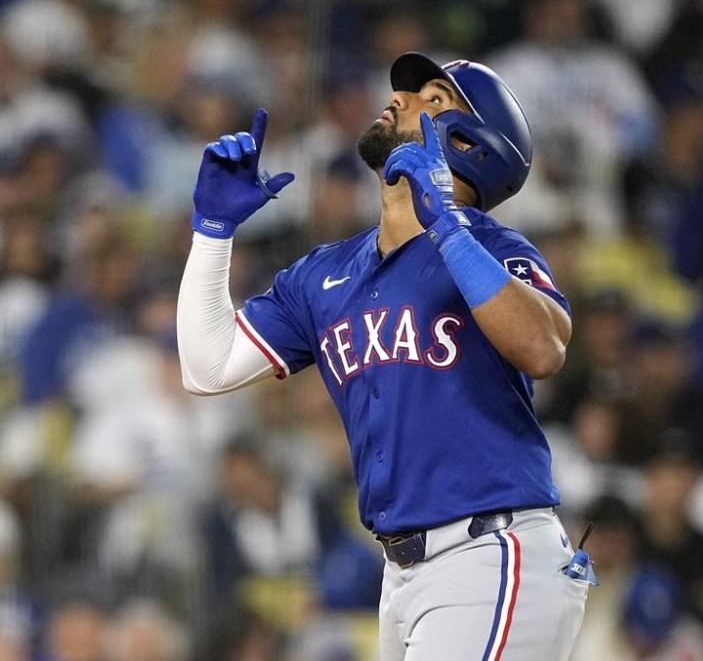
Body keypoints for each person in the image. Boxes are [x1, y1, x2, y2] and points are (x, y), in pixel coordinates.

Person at [178, 52, 588, 659]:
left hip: (491, 551)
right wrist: (212, 233)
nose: (399, 98)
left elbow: (543, 347)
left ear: (473, 143)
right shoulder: (324, 272)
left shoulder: (497, 248)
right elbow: (206, 367)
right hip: (400, 573)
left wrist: (448, 221)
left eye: (434, 97)